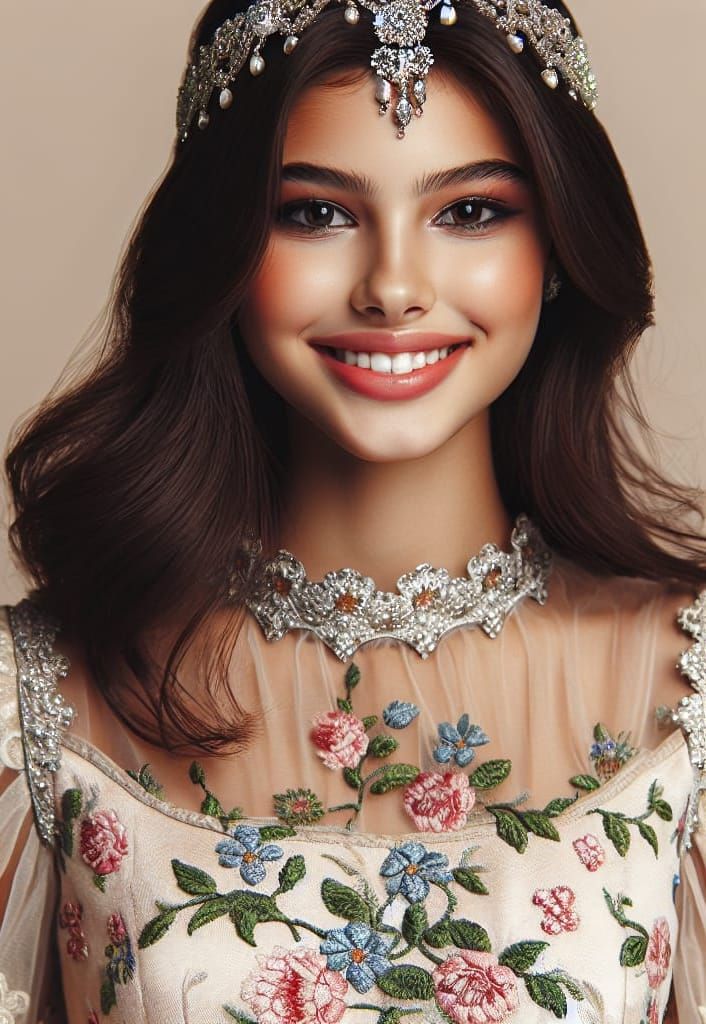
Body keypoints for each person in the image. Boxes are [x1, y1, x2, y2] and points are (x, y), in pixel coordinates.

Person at [0, 0, 704, 1021]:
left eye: (469, 211)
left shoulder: (687, 694)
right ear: (228, 255)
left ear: (555, 247)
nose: (392, 287)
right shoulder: (39, 707)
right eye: (315, 213)